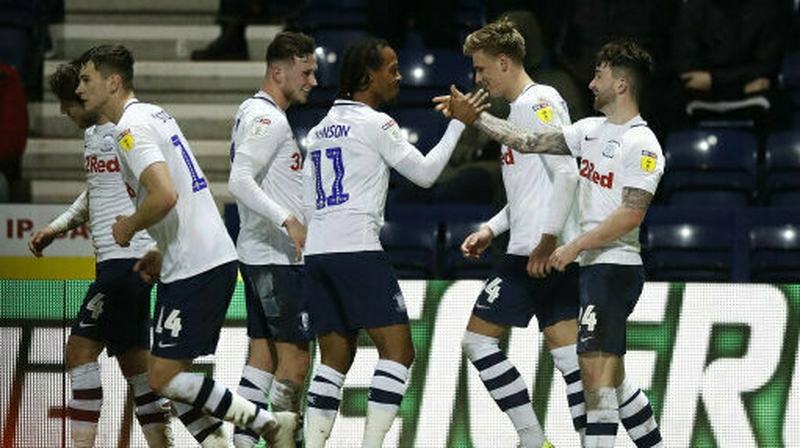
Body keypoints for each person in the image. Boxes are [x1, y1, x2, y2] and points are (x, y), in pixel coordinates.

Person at [444, 40, 665, 448]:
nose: (590, 81)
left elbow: (631, 214)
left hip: (614, 265)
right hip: (586, 264)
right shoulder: (589, 131)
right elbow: (526, 141)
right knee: (600, 375)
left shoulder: (643, 143)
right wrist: (477, 120)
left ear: (620, 85)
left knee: (597, 378)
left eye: (599, 74)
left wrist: (567, 245)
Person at [74, 44, 297, 448]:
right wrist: (160, 247)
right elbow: (186, 189)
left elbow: (166, 195)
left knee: (163, 377)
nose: (79, 88)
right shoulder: (153, 114)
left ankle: (267, 423)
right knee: (168, 379)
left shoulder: (129, 129)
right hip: (194, 259)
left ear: (113, 82)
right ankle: (235, 437)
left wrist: (129, 226)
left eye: (86, 79)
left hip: (199, 265)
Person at [300, 37, 481, 448]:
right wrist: (458, 123)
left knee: (333, 360)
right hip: (357, 249)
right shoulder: (376, 123)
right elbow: (425, 175)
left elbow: (306, 199)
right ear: (367, 77)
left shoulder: (320, 128)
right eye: (392, 69)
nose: (399, 77)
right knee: (399, 353)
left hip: (318, 253)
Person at [439, 20, 586, 448]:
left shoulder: (536, 101)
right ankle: (587, 441)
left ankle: (532, 440)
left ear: (504, 62)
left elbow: (566, 174)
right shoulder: (525, 106)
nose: (478, 78)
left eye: (482, 69)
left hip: (534, 253)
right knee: (569, 360)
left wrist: (545, 239)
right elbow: (530, 191)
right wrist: (491, 227)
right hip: (546, 249)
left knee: (477, 342)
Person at [27, 62, 173, 448]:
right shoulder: (93, 134)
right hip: (117, 263)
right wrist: (57, 228)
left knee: (78, 351)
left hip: (128, 262)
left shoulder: (126, 130)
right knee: (137, 368)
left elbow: (156, 186)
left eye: (68, 103)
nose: (64, 111)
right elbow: (94, 191)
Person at [226, 30, 317, 448]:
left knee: (261, 360)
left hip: (260, 254)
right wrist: (289, 221)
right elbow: (239, 181)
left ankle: (243, 444)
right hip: (275, 258)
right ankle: (284, 443)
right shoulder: (269, 118)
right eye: (306, 72)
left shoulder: (254, 112)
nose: (312, 81)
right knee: (295, 360)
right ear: (278, 71)